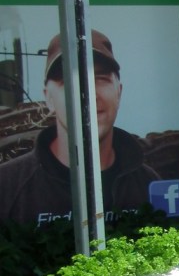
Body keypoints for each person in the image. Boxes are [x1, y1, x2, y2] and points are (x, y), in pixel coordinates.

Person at [0, 29, 160, 226]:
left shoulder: (148, 182)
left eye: (100, 79)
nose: (88, 96)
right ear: (48, 97)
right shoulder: (7, 187)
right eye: (69, 81)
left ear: (119, 92)